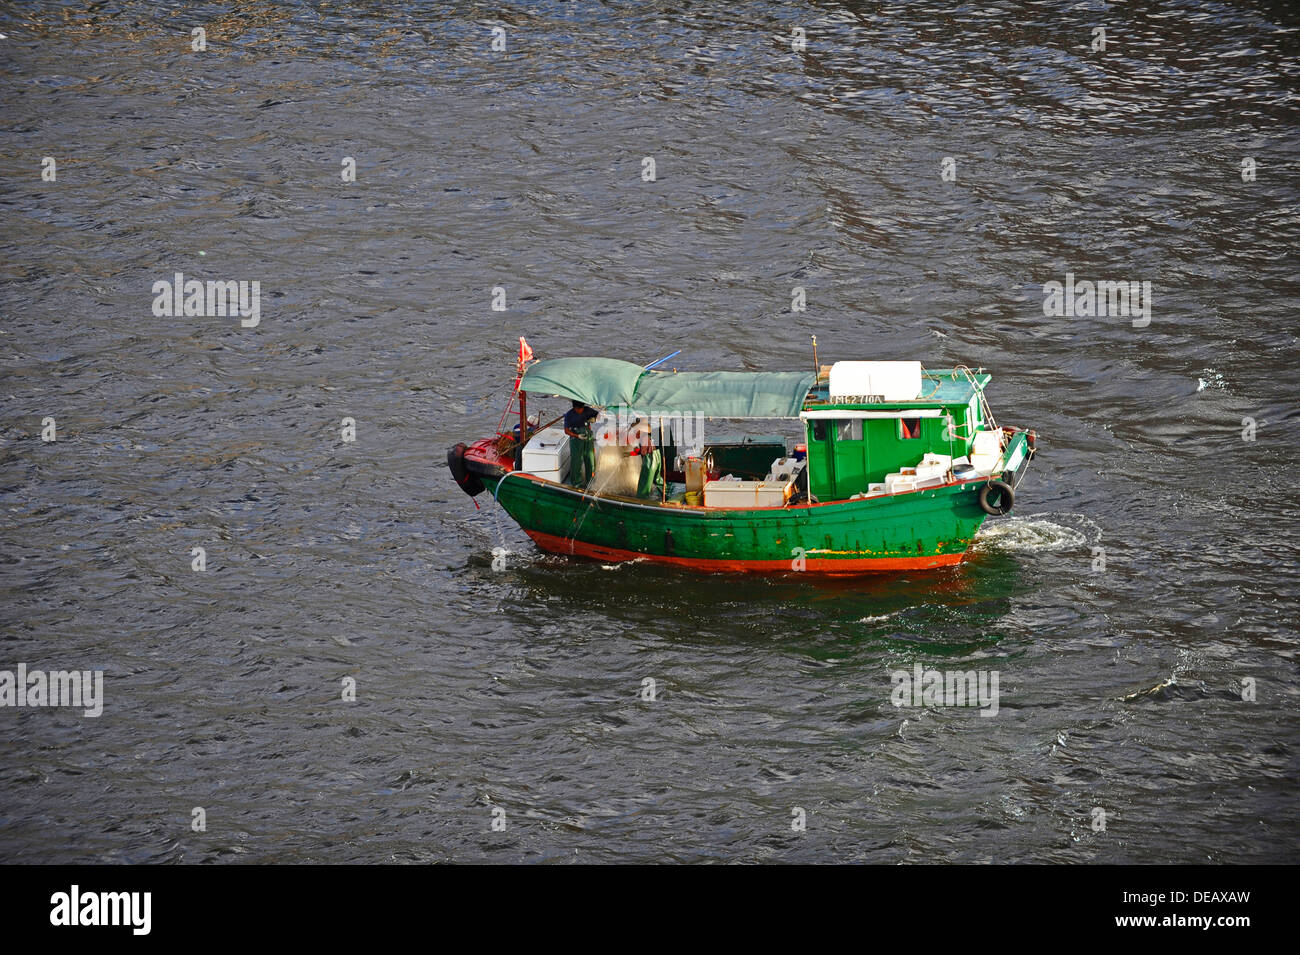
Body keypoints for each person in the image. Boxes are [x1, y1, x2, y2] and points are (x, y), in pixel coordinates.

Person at [563, 400, 599, 487]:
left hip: (588, 438)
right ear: (575, 408)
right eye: (579, 409)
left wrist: (594, 418)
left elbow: (597, 414)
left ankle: (590, 481)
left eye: (582, 408)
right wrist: (577, 436)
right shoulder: (569, 415)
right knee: (577, 461)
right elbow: (566, 431)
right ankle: (576, 482)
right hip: (576, 440)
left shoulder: (587, 410)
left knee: (590, 459)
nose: (581, 410)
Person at [629, 419, 664, 498]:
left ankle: (641, 501)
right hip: (657, 456)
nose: (634, 433)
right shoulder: (648, 437)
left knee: (644, 484)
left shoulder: (643, 438)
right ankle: (665, 495)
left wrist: (632, 452)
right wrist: (630, 453)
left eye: (635, 431)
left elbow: (643, 452)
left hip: (650, 460)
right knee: (658, 480)